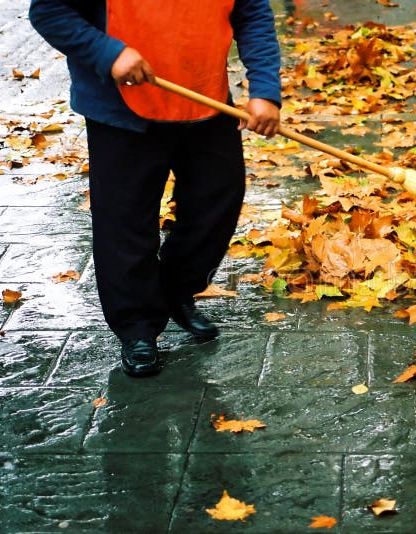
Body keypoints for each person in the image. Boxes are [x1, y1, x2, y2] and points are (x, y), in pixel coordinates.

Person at [29, 0, 282, 377]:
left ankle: (176, 290)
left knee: (218, 200)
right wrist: (108, 52)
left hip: (205, 98)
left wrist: (264, 89)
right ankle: (138, 328)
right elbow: (50, 11)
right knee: (125, 222)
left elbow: (252, 12)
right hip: (118, 109)